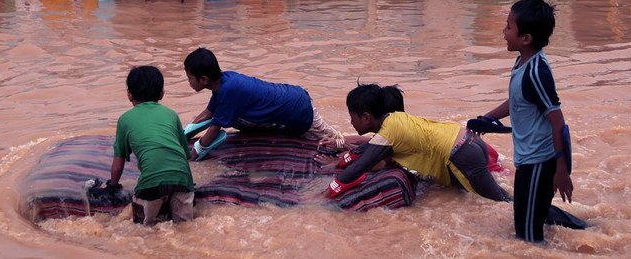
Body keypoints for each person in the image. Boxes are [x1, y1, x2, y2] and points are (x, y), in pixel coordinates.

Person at [471, 0, 575, 243]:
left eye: (509, 27)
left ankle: (586, 234)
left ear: (525, 38)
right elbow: (517, 102)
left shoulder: (536, 73)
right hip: (529, 159)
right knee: (528, 217)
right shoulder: (522, 62)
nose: (503, 31)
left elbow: (557, 122)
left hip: (541, 161)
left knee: (528, 237)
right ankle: (586, 228)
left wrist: (561, 172)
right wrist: (487, 118)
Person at [321, 83, 509, 201]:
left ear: (366, 117)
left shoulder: (390, 131)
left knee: (499, 203)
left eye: (352, 117)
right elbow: (367, 147)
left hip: (462, 153)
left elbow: (359, 166)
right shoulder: (395, 121)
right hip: (467, 142)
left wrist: (326, 193)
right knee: (479, 198)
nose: (351, 122)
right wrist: (339, 152)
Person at [183, 47, 346, 159]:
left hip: (299, 108)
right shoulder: (223, 81)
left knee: (332, 143)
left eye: (189, 78)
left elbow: (214, 127)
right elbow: (209, 112)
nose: (188, 81)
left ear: (203, 79)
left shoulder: (229, 90)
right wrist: (185, 132)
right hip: (293, 99)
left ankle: (359, 149)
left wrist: (196, 152)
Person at [101, 65, 195, 226]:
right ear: (161, 93)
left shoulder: (125, 120)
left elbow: (118, 163)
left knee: (145, 230)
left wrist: (113, 186)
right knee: (184, 227)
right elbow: (186, 155)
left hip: (150, 184)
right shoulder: (171, 115)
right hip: (182, 180)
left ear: (129, 94)